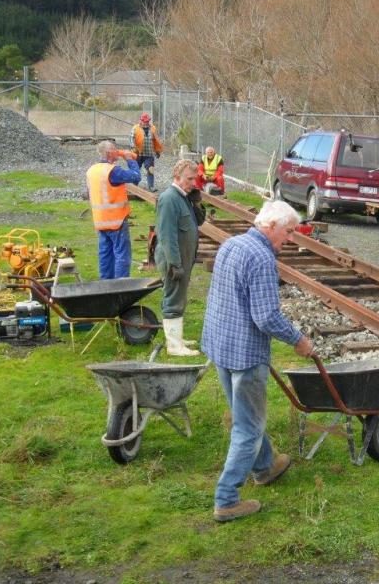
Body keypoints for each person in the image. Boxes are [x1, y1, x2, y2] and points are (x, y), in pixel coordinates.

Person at [202, 200, 314, 522]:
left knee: (245, 417)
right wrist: (299, 340)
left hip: (221, 346)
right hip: (246, 354)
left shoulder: (231, 244)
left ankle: (265, 466)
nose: (291, 239)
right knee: (248, 427)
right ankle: (226, 499)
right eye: (289, 232)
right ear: (271, 226)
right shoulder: (263, 258)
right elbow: (266, 317)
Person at [154, 159, 202, 357]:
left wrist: (197, 202)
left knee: (179, 296)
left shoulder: (184, 197)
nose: (193, 183)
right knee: (173, 297)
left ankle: (177, 338)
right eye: (189, 179)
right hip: (174, 260)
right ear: (177, 177)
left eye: (195, 179)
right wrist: (175, 264)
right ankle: (174, 346)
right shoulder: (169, 199)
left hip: (183, 258)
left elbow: (199, 221)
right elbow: (167, 235)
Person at [86, 140, 140, 279]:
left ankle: (106, 286)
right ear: (109, 153)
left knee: (105, 254)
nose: (118, 151)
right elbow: (135, 176)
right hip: (116, 221)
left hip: (100, 220)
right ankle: (121, 286)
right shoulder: (112, 171)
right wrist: (129, 159)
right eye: (115, 149)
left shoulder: (92, 170)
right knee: (121, 254)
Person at [131, 112, 163, 192]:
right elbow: (131, 139)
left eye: (147, 121)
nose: (146, 123)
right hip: (137, 153)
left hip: (149, 153)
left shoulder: (153, 128)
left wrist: (157, 151)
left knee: (151, 169)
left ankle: (151, 186)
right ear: (140, 121)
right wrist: (133, 147)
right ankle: (134, 186)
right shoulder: (135, 128)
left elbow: (156, 141)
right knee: (136, 170)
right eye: (145, 121)